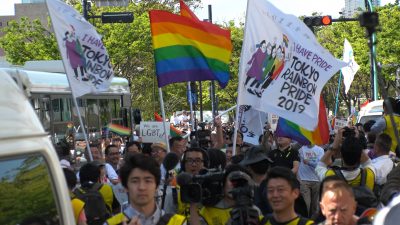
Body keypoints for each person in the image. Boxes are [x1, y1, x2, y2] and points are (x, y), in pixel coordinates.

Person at [105, 154, 186, 225]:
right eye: (135, 181)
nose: (142, 187)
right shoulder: (111, 223)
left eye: (148, 181)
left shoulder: (178, 222)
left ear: (157, 186)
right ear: (125, 186)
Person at [189, 164, 258, 225]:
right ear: (223, 183)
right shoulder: (208, 211)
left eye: (241, 182)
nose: (235, 185)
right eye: (233, 180)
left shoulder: (254, 211)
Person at [298, 144, 324, 217]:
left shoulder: (320, 150)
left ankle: (313, 222)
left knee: (315, 206)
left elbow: (320, 165)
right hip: (304, 180)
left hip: (317, 180)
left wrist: (309, 162)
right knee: (306, 205)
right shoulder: (300, 149)